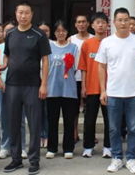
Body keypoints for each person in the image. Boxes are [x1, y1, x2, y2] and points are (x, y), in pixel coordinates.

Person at [96, 7, 135, 174]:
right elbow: (101, 66)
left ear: (130, 22)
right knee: (113, 128)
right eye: (120, 20)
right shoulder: (107, 42)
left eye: (126, 20)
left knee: (133, 127)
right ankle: (117, 157)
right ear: (114, 22)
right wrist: (103, 90)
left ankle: (131, 158)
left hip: (133, 92)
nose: (123, 23)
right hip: (113, 92)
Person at [1, 1, 51, 175]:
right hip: (12, 85)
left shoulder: (39, 34)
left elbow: (45, 60)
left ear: (32, 14)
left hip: (32, 85)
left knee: (34, 124)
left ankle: (34, 160)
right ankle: (16, 159)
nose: (23, 16)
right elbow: (7, 54)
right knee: (14, 123)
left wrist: (44, 84)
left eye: (26, 12)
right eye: (20, 12)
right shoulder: (10, 33)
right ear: (16, 14)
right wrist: (4, 65)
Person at [79, 12, 111, 158]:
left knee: (109, 120)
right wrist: (83, 86)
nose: (100, 25)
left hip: (109, 88)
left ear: (107, 25)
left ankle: (108, 146)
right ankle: (88, 146)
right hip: (91, 87)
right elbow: (83, 67)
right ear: (92, 25)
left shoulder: (111, 42)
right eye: (97, 22)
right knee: (89, 119)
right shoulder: (87, 44)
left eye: (103, 22)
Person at [46, 21, 80, 159]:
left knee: (69, 120)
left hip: (69, 89)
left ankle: (68, 148)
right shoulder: (49, 47)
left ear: (67, 32)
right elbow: (44, 67)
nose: (61, 33)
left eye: (63, 30)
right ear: (54, 32)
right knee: (52, 120)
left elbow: (76, 68)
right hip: (52, 89)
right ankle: (52, 148)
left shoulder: (74, 48)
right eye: (58, 30)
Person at [0, 23, 27, 160]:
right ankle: (5, 146)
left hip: (19, 86)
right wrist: (1, 83)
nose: (8, 33)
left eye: (11, 30)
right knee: (3, 117)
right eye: (6, 31)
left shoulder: (23, 46)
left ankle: (22, 146)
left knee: (20, 118)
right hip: (1, 86)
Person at [68, 14, 94, 143]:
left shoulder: (94, 38)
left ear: (88, 24)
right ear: (75, 24)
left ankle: (90, 134)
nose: (81, 24)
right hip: (74, 78)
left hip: (90, 78)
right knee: (74, 108)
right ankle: (74, 132)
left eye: (83, 22)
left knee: (90, 110)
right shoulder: (71, 39)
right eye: (78, 22)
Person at [39, 22, 52, 149]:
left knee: (47, 110)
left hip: (49, 81)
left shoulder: (53, 45)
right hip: (35, 81)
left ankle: (47, 135)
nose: (44, 33)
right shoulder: (33, 43)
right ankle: (40, 135)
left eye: (46, 30)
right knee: (38, 111)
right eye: (41, 30)